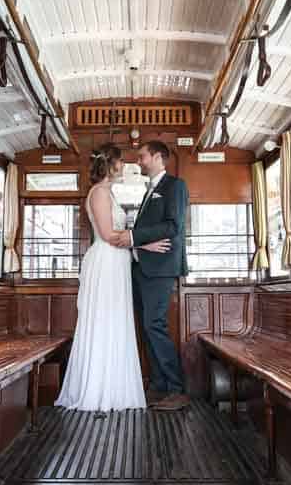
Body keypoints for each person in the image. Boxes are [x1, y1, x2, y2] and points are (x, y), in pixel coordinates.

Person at [55, 144, 171, 411]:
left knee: (115, 321)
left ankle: (116, 387)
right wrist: (144, 245)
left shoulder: (108, 192)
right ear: (110, 165)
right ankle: (98, 390)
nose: (124, 166)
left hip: (116, 263)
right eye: (120, 162)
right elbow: (108, 236)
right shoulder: (98, 193)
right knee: (104, 321)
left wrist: (137, 242)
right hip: (106, 262)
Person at [110, 141, 190, 411]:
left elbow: (173, 225)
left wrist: (133, 237)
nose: (139, 160)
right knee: (148, 327)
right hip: (143, 268)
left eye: (143, 156)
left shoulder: (174, 186)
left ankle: (177, 389)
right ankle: (159, 386)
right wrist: (139, 244)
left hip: (160, 269)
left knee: (154, 325)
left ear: (157, 157)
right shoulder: (150, 189)